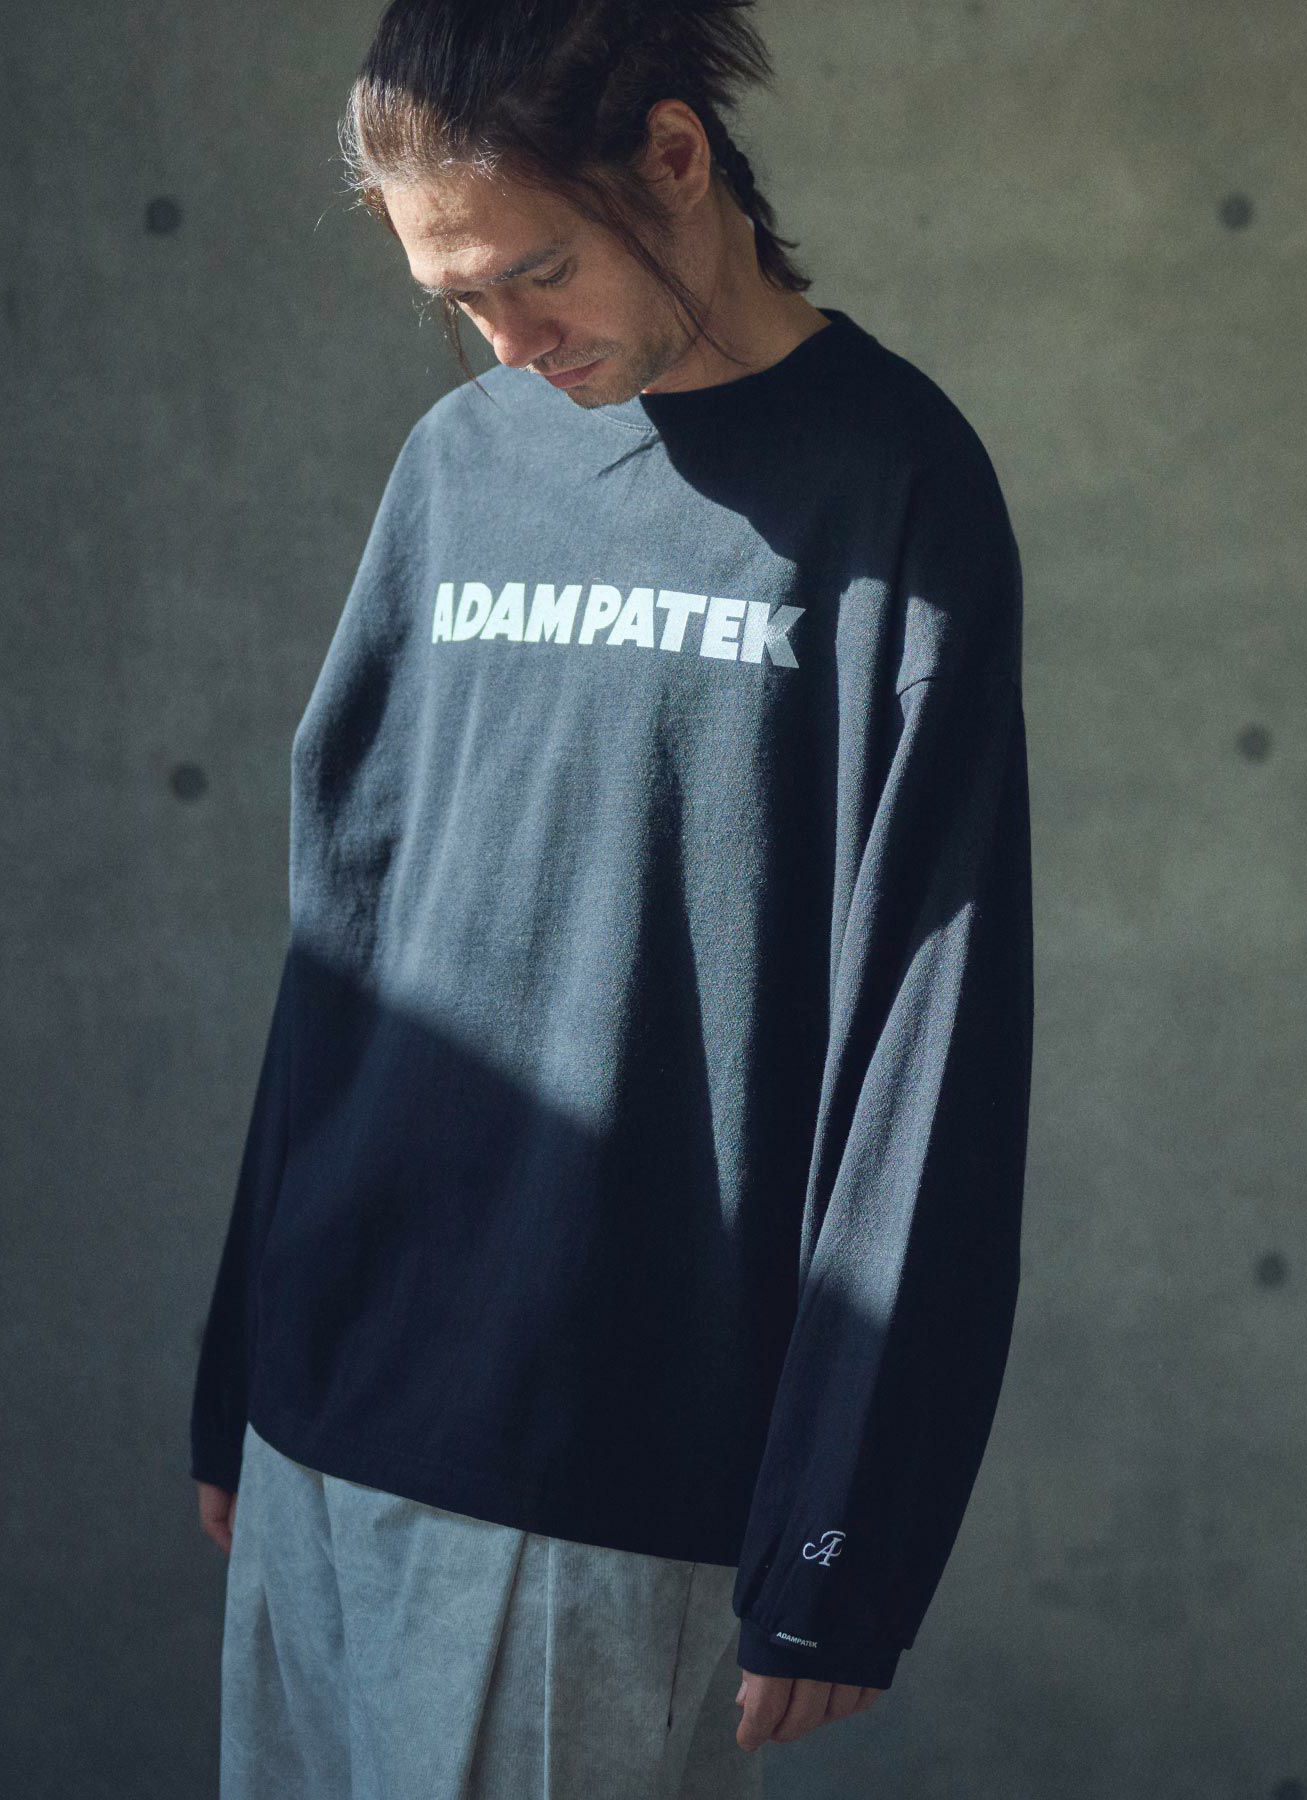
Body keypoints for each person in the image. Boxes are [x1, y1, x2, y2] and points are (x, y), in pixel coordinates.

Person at [190, 1, 1035, 1794]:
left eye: (536, 273)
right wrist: (236, 1366)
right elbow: (350, 934)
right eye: (461, 301)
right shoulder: (462, 464)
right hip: (320, 1421)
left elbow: (930, 1034)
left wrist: (845, 1529)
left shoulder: (895, 483)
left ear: (674, 157)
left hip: (599, 1465)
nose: (511, 342)